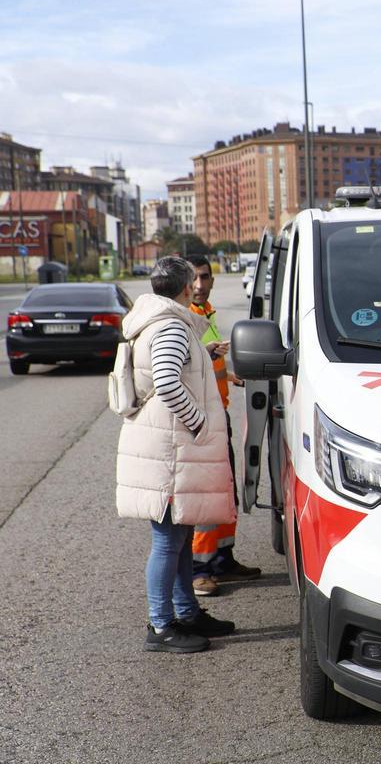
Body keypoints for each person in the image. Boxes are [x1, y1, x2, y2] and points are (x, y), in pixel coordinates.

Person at [115, 256, 236, 653]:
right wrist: (199, 422)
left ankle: (186, 613)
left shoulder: (153, 320)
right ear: (186, 288)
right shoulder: (171, 326)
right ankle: (161, 625)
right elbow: (167, 381)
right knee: (169, 540)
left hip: (165, 446)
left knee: (181, 535)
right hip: (169, 449)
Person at [186, 254, 261, 596]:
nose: (200, 285)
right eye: (194, 279)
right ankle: (198, 569)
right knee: (204, 498)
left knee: (225, 492)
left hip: (220, 414)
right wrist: (208, 354)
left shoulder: (207, 312)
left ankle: (222, 560)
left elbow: (208, 366)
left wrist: (229, 375)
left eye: (205, 277)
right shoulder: (184, 317)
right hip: (199, 422)